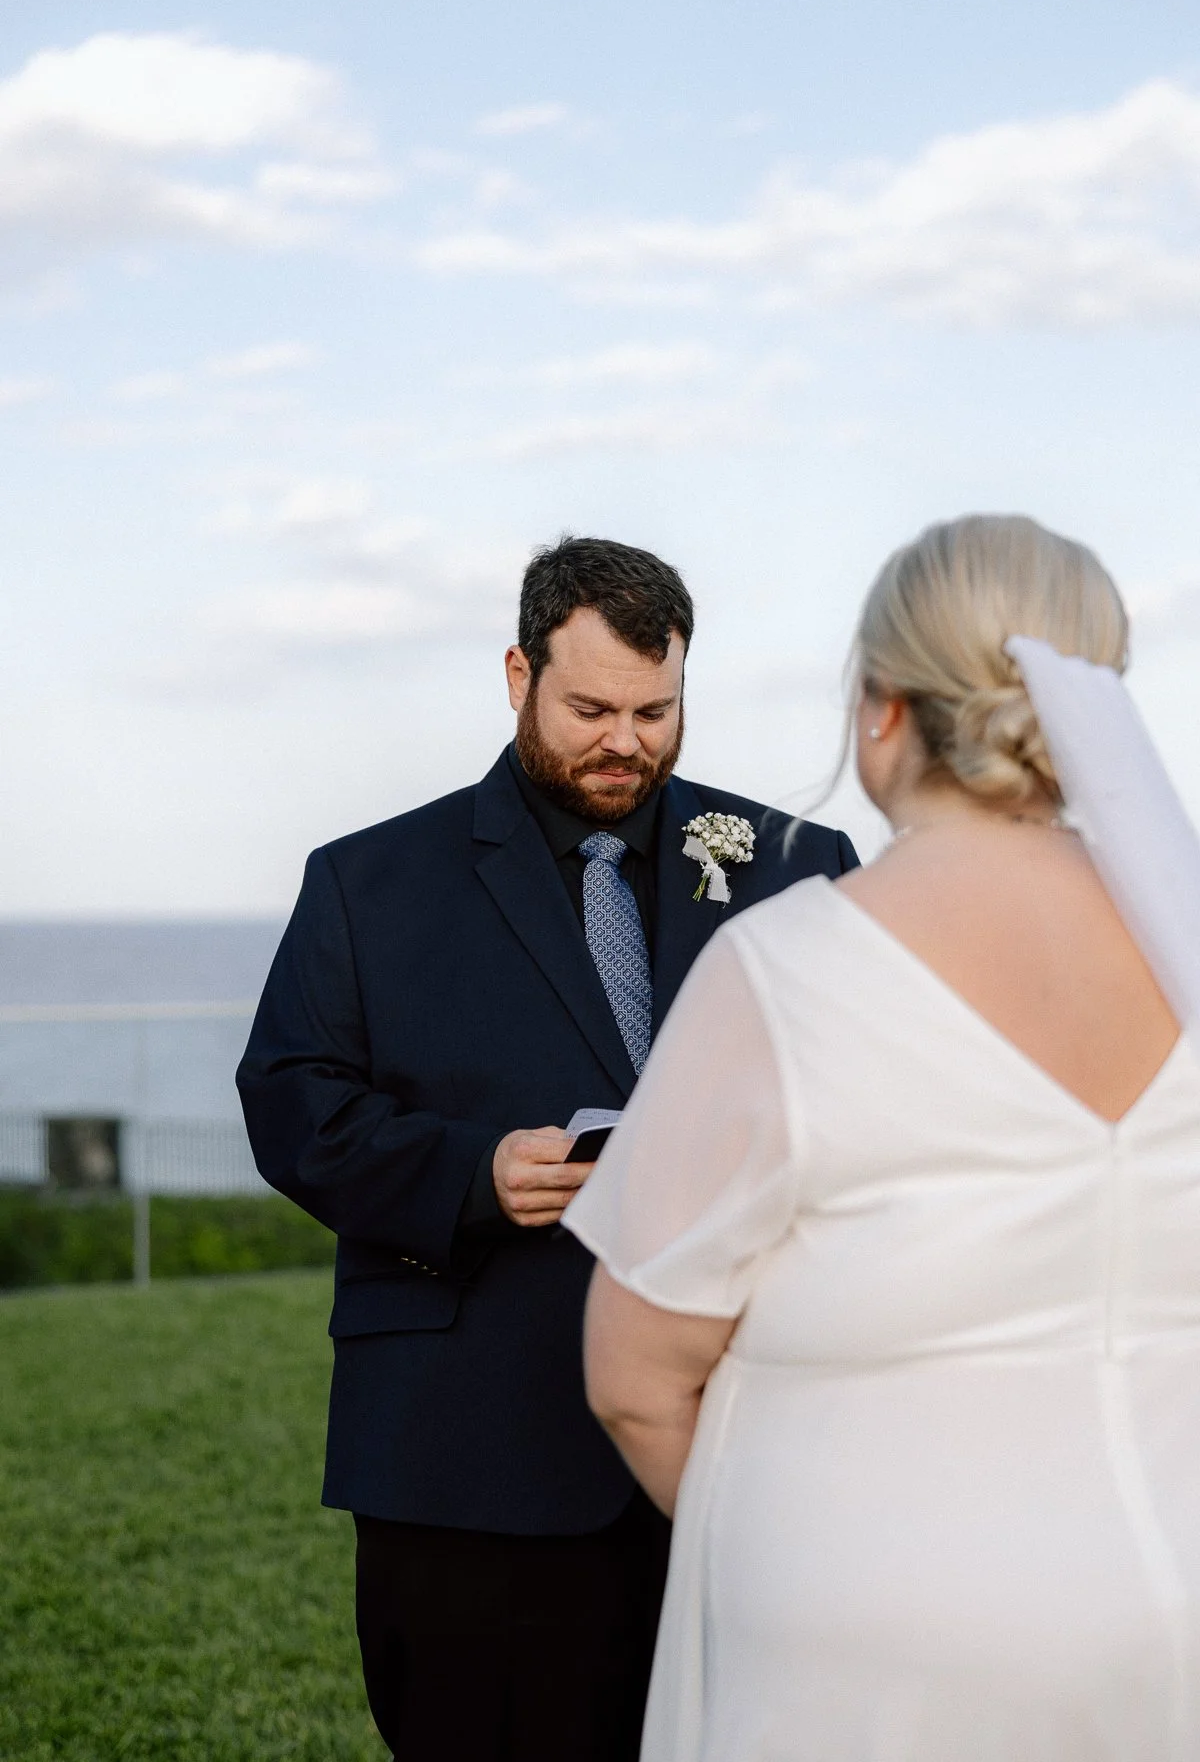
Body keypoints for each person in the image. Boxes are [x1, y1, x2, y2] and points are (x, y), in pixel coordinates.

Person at [565, 514, 1200, 1761]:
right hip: (1169, 1599)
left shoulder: (789, 970)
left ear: (880, 709)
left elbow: (634, 1382)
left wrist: (787, 1559)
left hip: (868, 1652)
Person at [236, 535, 858, 1762]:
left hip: (740, 1451)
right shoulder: (369, 882)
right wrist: (472, 1173)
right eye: (588, 708)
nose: (624, 740)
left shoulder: (798, 869)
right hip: (468, 1459)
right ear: (518, 673)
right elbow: (292, 1102)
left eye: (654, 709)